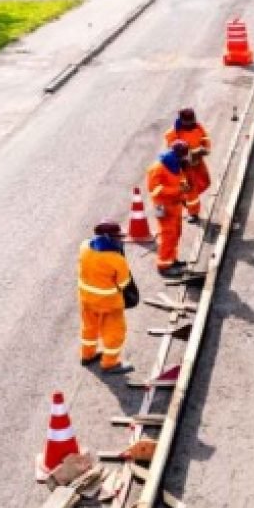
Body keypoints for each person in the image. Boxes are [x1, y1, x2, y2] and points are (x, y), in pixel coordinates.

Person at [77, 220, 139, 374]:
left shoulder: (84, 247)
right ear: (108, 238)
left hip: (86, 299)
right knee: (114, 333)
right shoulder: (116, 260)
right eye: (117, 237)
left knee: (89, 328)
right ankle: (110, 363)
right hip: (108, 304)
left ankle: (87, 355)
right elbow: (124, 283)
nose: (119, 240)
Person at [146, 141, 190, 277]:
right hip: (162, 207)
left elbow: (179, 178)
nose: (186, 159)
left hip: (174, 205)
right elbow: (155, 190)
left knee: (176, 233)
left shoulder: (175, 164)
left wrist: (183, 188)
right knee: (167, 235)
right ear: (178, 155)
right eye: (184, 156)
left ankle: (172, 260)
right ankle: (164, 266)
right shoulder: (157, 168)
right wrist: (178, 190)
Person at [164, 108, 211, 223]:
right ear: (182, 121)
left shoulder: (198, 127)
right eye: (189, 122)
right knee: (191, 190)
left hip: (198, 162)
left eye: (193, 120)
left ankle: (183, 198)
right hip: (184, 167)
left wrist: (204, 150)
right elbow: (174, 152)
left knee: (205, 182)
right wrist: (189, 158)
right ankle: (193, 213)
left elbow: (206, 140)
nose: (192, 124)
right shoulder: (173, 134)